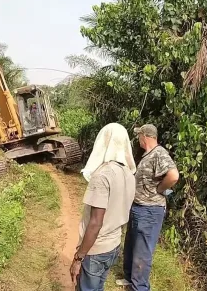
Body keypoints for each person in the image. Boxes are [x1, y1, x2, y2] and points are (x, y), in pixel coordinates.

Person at [70, 123, 137, 291]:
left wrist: (78, 258)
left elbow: (95, 223)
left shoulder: (102, 176)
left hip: (96, 249)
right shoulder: (129, 174)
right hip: (114, 245)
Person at [117, 124, 180, 291]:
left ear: (145, 136)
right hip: (138, 207)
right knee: (131, 246)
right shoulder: (148, 155)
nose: (138, 139)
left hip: (150, 210)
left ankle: (140, 287)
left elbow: (173, 176)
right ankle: (130, 279)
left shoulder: (159, 153)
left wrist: (159, 190)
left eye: (139, 136)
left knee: (142, 253)